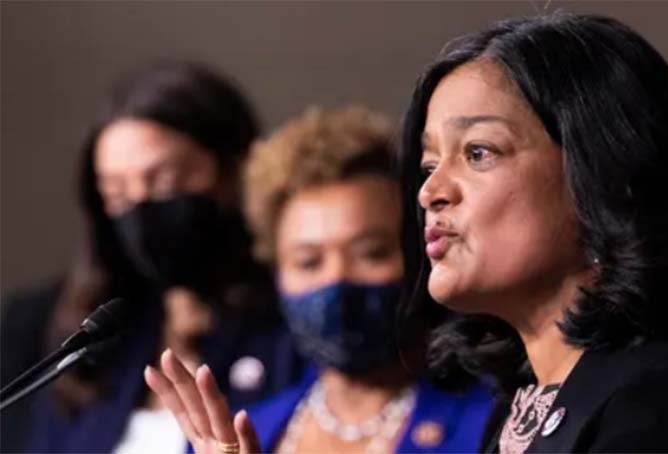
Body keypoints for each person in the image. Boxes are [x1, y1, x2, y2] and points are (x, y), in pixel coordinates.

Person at [397, 14, 668, 453]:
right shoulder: (521, 402)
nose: (430, 192)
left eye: (478, 152)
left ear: (605, 175)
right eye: (430, 166)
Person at [144, 107, 493, 454]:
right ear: (278, 273)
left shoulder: (494, 421)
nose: (337, 278)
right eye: (308, 262)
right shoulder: (232, 437)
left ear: (421, 253)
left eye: (371, 253)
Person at [1, 60, 304, 454]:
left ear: (233, 173)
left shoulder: (297, 322)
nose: (141, 211)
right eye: (117, 194)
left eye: (165, 180)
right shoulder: (70, 332)